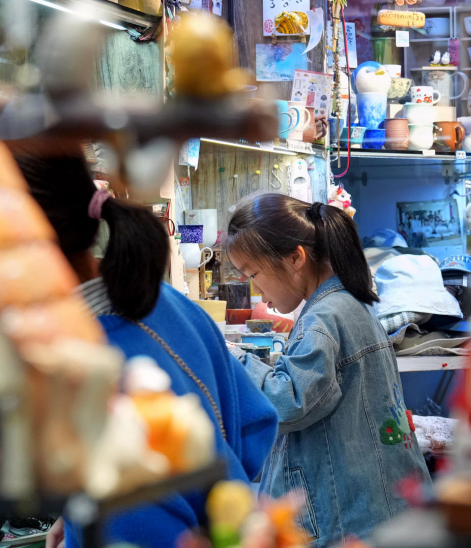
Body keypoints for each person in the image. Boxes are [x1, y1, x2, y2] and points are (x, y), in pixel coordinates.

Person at [14, 153, 278, 548]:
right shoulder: (167, 302)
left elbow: (137, 524)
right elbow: (256, 422)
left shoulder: (81, 370)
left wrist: (97, 516)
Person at [224, 194, 431, 546]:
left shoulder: (323, 318)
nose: (257, 292)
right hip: (380, 509)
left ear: (295, 258)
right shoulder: (350, 303)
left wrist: (228, 358)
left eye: (254, 274)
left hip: (346, 522)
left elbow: (288, 404)